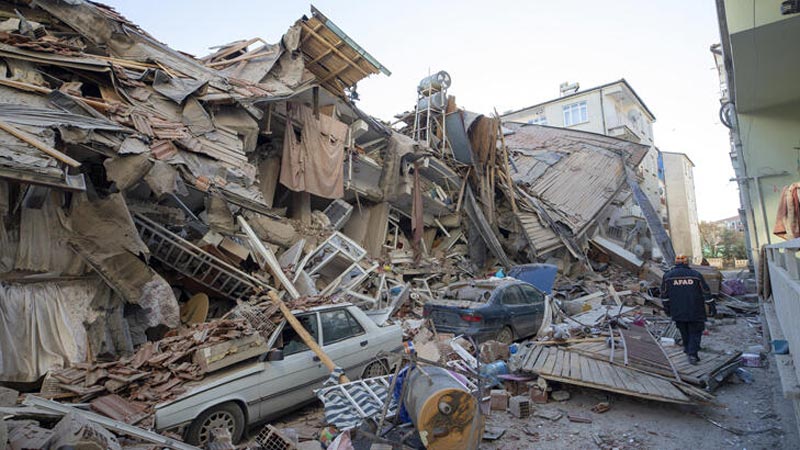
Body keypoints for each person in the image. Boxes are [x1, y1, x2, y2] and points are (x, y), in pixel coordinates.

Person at [660, 255, 716, 365]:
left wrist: (667, 308)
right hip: (695, 310)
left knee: (684, 332)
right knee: (695, 332)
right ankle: (692, 354)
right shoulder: (696, 275)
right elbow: (706, 291)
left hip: (677, 310)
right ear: (687, 263)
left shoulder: (668, 276)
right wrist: (711, 305)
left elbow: (664, 295)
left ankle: (688, 349)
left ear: (676, 263)